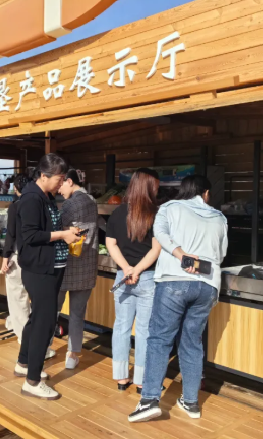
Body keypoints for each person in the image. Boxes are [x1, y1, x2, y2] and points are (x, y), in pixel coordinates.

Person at [130, 175, 228, 423]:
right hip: (207, 285)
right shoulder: (219, 217)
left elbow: (160, 234)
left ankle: (149, 401)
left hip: (174, 280)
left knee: (160, 339)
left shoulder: (169, 208)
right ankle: (191, 402)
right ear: (206, 193)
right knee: (192, 342)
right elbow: (221, 254)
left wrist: (181, 253)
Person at [14, 154, 81, 400]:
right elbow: (31, 235)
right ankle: (32, 381)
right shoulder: (32, 199)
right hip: (39, 269)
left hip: (48, 267)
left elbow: (45, 229)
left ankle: (24, 363)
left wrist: (65, 232)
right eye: (59, 179)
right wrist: (63, 235)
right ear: (43, 176)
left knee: (38, 319)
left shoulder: (45, 196)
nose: (61, 183)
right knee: (44, 323)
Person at [106, 168, 161, 393]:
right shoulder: (155, 214)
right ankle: (140, 380)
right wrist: (137, 269)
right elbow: (156, 249)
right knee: (145, 330)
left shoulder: (118, 212)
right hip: (146, 277)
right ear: (149, 186)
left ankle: (121, 378)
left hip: (123, 277)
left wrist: (126, 269)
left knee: (121, 326)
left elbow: (110, 244)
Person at [57, 169, 99, 370]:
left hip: (66, 265)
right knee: (77, 314)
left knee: (53, 310)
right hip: (87, 266)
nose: (59, 190)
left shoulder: (69, 204)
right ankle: (72, 354)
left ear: (70, 181)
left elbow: (57, 229)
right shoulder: (92, 201)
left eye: (61, 185)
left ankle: (45, 347)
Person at [1, 173, 32, 341]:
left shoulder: (15, 206)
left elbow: (10, 234)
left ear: (15, 188)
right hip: (34, 257)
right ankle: (14, 323)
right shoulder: (38, 204)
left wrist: (5, 257)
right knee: (27, 297)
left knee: (17, 296)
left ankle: (24, 337)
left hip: (17, 255)